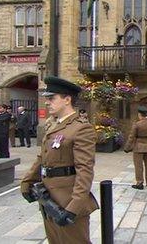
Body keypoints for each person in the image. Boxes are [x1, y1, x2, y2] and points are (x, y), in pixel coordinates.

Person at [20, 76, 98, 243]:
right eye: (47, 98)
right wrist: (27, 182)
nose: (47, 102)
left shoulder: (81, 128)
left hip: (67, 201)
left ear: (67, 99)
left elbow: (84, 171)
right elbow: (42, 157)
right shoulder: (53, 126)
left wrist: (74, 207)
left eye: (51, 98)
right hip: (48, 198)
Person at [124, 106, 147, 190]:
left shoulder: (137, 124)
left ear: (140, 115)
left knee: (138, 166)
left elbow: (131, 137)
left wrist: (127, 147)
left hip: (138, 147)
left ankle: (140, 183)